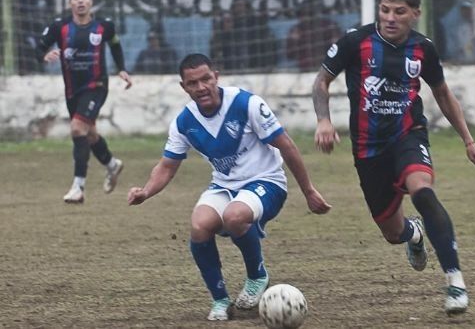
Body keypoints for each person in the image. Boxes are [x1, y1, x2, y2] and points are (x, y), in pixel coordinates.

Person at [312, 0, 475, 316]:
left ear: (415, 13)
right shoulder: (356, 41)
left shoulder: (423, 48)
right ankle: (414, 234)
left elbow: (442, 93)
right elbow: (322, 81)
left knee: (423, 192)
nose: (390, 18)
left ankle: (455, 279)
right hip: (367, 150)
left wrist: (469, 141)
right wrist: (324, 119)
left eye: (399, 11)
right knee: (393, 232)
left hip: (408, 136)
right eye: (385, 10)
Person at [127, 53, 331, 321]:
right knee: (199, 224)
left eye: (205, 79)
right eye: (192, 83)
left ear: (216, 77)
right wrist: (146, 191)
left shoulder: (246, 104)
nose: (201, 88)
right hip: (224, 186)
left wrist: (308, 190)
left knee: (235, 216)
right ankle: (221, 300)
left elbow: (287, 146)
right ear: (183, 87)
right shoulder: (184, 122)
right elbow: (167, 166)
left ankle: (257, 277)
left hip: (267, 182)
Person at [38, 0, 131, 204]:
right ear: (70, 2)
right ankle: (112, 165)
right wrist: (44, 54)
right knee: (89, 135)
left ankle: (78, 187)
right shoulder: (59, 27)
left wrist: (121, 68)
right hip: (73, 92)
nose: (80, 1)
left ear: (90, 1)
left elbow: (116, 45)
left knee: (77, 129)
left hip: (97, 87)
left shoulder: (104, 27)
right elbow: (39, 46)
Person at [285, 0, 342, 71]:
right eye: (301, 14)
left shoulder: (329, 26)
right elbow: (289, 55)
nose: (305, 17)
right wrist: (294, 41)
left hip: (328, 70)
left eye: (309, 14)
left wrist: (335, 41)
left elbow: (340, 51)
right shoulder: (296, 30)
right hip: (305, 71)